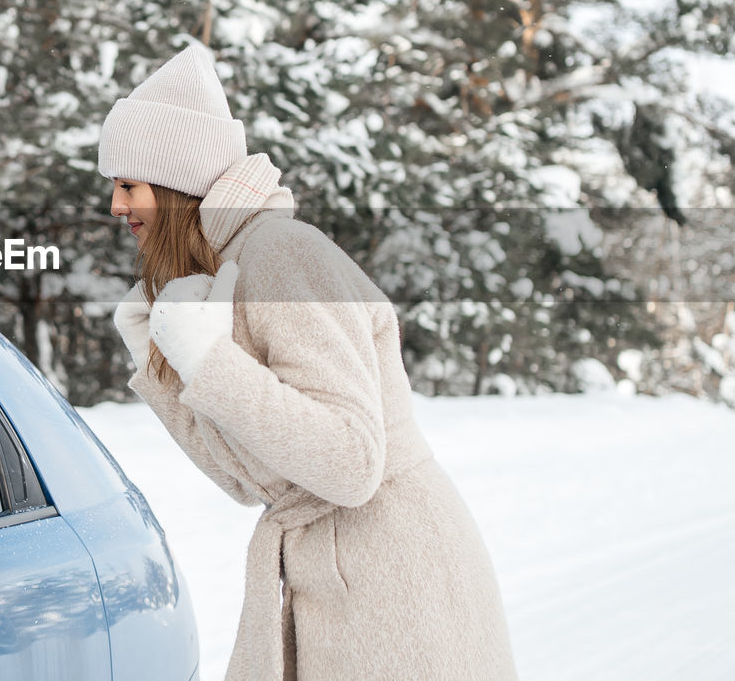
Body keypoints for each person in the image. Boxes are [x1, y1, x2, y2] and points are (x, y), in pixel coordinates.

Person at [98, 45, 517, 680]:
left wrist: (209, 360)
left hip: (394, 581)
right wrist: (162, 370)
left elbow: (351, 463)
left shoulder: (283, 254)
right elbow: (246, 481)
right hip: (329, 574)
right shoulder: (221, 273)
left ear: (174, 182)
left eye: (128, 185)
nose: (116, 207)